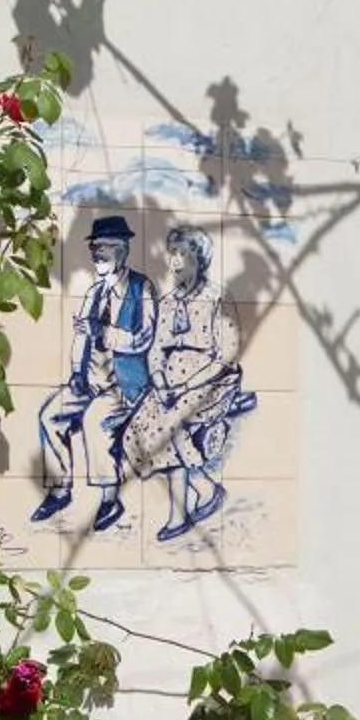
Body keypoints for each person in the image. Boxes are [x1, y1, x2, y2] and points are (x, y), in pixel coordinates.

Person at [120, 223, 255, 540]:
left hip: (211, 381)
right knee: (134, 432)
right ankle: (205, 489)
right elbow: (155, 350)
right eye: (172, 254)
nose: (175, 261)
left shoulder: (217, 296)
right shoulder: (167, 302)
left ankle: (180, 512)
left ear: (200, 259)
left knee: (169, 426)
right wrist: (159, 380)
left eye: (183, 253)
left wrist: (183, 386)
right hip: (169, 383)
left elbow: (226, 355)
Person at [33, 214, 157, 531]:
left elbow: (143, 339)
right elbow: (80, 339)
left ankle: (109, 500)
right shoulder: (94, 292)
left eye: (104, 247)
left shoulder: (141, 288)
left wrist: (101, 332)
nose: (97, 254)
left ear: (122, 249)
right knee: (49, 414)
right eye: (95, 248)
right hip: (89, 382)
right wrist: (77, 372)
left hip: (124, 386)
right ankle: (60, 490)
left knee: (94, 421)